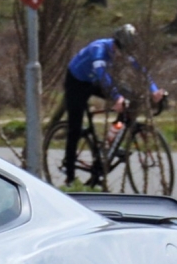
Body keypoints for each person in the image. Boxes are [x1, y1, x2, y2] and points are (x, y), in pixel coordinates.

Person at [62, 23, 164, 184]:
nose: (122, 57)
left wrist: (154, 90)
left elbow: (141, 70)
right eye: (120, 53)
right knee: (75, 127)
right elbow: (102, 76)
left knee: (132, 97)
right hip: (77, 82)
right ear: (115, 45)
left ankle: (112, 140)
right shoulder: (99, 49)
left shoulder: (124, 50)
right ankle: (69, 172)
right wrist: (117, 97)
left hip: (94, 80)